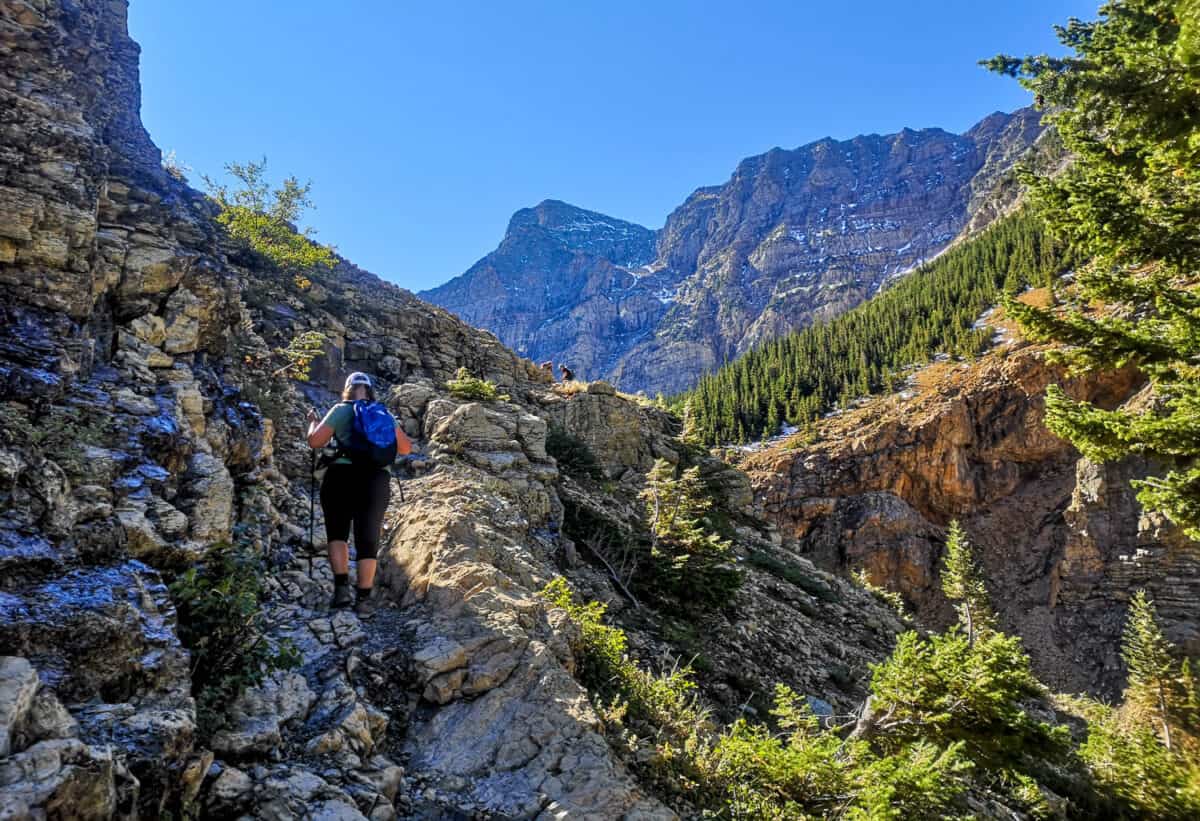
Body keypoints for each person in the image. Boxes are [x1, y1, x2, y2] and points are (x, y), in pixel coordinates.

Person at [306, 372, 412, 617]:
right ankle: (363, 600)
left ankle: (341, 590)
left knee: (338, 532)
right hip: (376, 480)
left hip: (341, 476)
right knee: (368, 538)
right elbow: (406, 448)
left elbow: (315, 442)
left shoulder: (341, 410)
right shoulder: (383, 413)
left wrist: (312, 421)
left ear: (348, 389)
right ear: (370, 390)